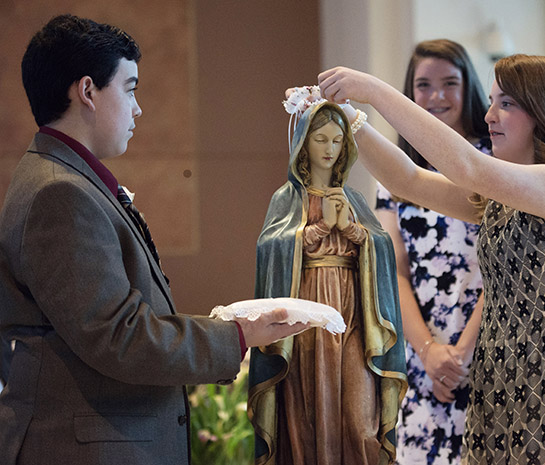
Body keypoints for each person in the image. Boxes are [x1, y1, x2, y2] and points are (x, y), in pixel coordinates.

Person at [0, 14, 305, 465]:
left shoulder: (62, 178)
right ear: (87, 91)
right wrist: (238, 336)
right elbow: (119, 336)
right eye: (130, 88)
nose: (138, 108)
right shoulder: (58, 192)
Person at [318, 54, 545, 464]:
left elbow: (468, 165)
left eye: (507, 104)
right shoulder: (503, 197)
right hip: (496, 381)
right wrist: (348, 117)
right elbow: (407, 180)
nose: (490, 115)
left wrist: (371, 89)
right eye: (493, 101)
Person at [248, 99, 407, 465]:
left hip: (353, 315)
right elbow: (270, 249)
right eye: (321, 139)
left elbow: (381, 247)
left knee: (361, 423)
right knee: (306, 415)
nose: (330, 149)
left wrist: (351, 228)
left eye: (337, 140)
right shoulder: (287, 200)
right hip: (307, 315)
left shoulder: (355, 199)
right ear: (304, 144)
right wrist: (319, 228)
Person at [373, 39, 489, 464]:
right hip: (421, 354)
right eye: (424, 85)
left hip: (486, 347)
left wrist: (461, 354)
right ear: (410, 92)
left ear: (468, 87)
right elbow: (395, 272)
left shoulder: (495, 165)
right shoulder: (396, 173)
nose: (437, 96)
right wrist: (429, 352)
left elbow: (507, 268)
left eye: (449, 83)